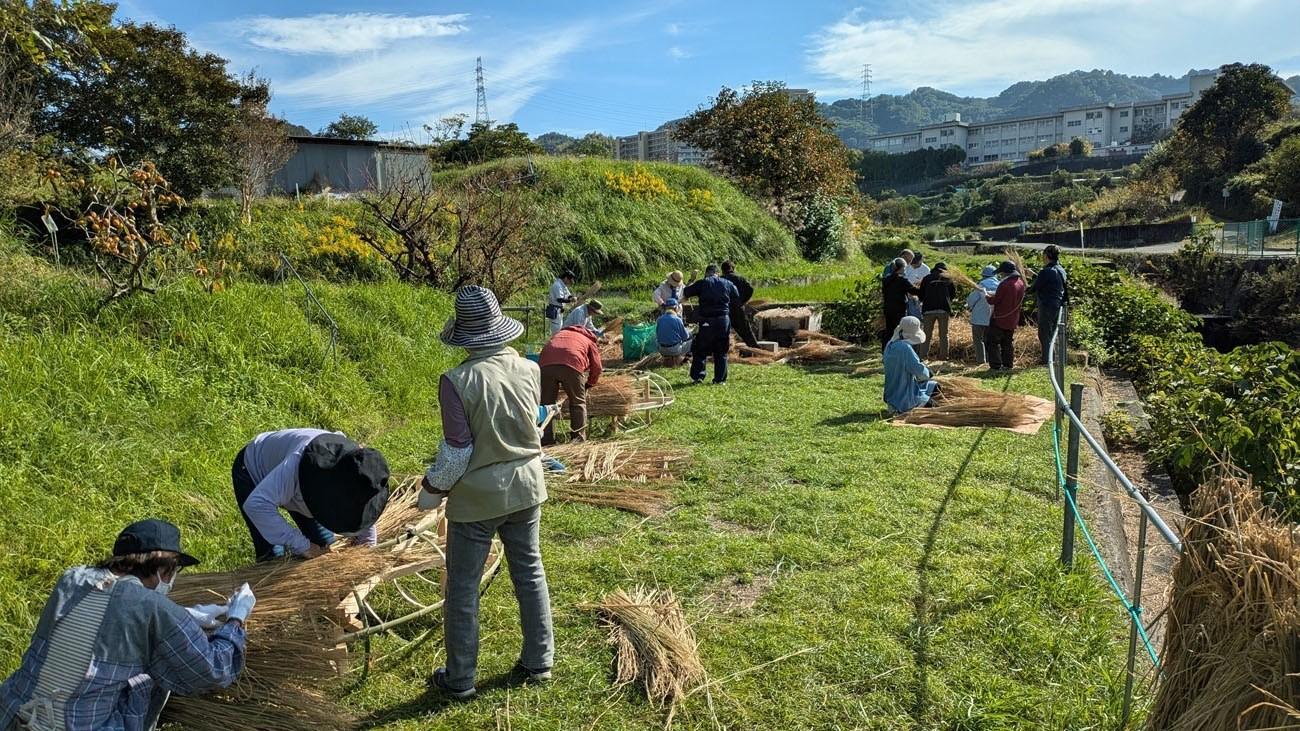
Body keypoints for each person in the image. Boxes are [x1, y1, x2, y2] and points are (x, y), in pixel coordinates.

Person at [419, 285, 554, 699]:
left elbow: (458, 453)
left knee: (462, 588)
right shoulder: (529, 368)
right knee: (530, 574)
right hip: (528, 487)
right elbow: (534, 423)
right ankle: (539, 661)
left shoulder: (457, 381)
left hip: (478, 498)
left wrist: (432, 488)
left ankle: (460, 679)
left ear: (465, 334)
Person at [0, 519, 256, 731]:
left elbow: (103, 620)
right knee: (150, 676)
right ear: (164, 570)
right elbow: (211, 671)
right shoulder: (154, 610)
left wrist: (186, 614)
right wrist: (236, 616)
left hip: (11, 712)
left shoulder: (71, 580)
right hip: (77, 726)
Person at [232, 429, 391, 562]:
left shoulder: (358, 468)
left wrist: (366, 549)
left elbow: (363, 506)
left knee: (324, 545)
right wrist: (304, 546)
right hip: (253, 472)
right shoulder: (299, 465)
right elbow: (257, 506)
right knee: (275, 558)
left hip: (296, 487)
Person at [538, 324, 603, 444]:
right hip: (571, 364)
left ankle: (545, 439)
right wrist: (590, 383)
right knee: (578, 403)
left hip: (545, 365)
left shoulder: (559, 334)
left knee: (546, 404)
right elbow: (597, 367)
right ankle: (578, 438)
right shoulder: (588, 340)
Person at [682, 264, 740, 385]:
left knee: (701, 349)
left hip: (707, 320)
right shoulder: (727, 283)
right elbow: (736, 297)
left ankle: (698, 377)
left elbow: (686, 292)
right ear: (717, 273)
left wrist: (691, 280)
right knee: (721, 350)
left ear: (706, 273)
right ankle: (720, 379)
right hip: (723, 320)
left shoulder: (702, 283)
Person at [883, 316, 940, 414]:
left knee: (935, 386)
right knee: (935, 406)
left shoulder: (890, 344)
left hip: (892, 396)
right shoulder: (905, 348)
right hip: (904, 398)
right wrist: (928, 372)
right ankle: (907, 408)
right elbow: (921, 374)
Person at [1027, 245, 1068, 364]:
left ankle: (1047, 360)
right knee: (1054, 332)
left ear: (1046, 256)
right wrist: (1034, 276)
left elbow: (1033, 288)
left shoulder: (1046, 271)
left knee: (1044, 333)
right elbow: (1048, 281)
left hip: (1046, 305)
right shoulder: (1060, 269)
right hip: (1057, 304)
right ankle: (1055, 358)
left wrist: (1025, 286)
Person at [984, 260, 1027, 371]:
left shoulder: (1004, 284)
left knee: (992, 342)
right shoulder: (1021, 283)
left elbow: (994, 301)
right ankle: (1008, 365)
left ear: (1005, 272)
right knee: (1007, 343)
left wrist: (987, 296)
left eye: (1001, 272)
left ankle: (995, 365)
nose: (1001, 274)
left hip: (999, 318)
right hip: (1012, 319)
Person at [918, 262, 957, 360]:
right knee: (943, 334)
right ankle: (944, 356)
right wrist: (947, 300)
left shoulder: (927, 278)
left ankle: (923, 356)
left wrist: (925, 300)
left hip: (928, 309)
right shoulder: (948, 278)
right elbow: (953, 294)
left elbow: (921, 294)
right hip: (943, 309)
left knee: (926, 334)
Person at [881, 258, 921, 351]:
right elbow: (913, 291)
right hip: (899, 309)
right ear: (902, 268)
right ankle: (900, 350)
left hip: (888, 308)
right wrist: (923, 286)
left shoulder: (886, 280)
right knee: (901, 330)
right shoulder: (902, 280)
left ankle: (886, 350)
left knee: (889, 330)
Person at [964, 264, 999, 364]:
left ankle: (981, 361)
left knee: (979, 341)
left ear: (984, 275)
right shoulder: (1000, 285)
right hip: (993, 319)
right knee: (992, 341)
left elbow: (970, 300)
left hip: (978, 319)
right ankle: (992, 360)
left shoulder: (980, 286)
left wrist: (970, 308)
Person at [720, 261, 759, 348]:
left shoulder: (720, 280)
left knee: (723, 332)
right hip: (738, 308)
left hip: (724, 310)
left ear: (722, 270)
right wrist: (743, 301)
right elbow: (750, 289)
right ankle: (755, 349)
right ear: (733, 269)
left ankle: (722, 351)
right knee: (746, 331)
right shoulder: (740, 278)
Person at [545, 270, 577, 336]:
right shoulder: (557, 285)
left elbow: (568, 295)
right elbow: (559, 299)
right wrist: (571, 300)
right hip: (555, 310)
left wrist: (572, 297)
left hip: (559, 311)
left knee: (559, 329)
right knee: (556, 331)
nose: (569, 283)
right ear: (565, 278)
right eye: (569, 281)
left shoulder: (563, 285)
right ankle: (553, 345)